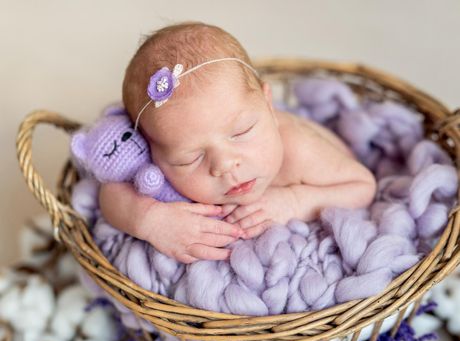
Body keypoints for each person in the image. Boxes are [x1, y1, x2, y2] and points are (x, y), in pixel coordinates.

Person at [99, 21, 376, 264]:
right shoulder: (165, 150)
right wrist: (152, 221)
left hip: (327, 178)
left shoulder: (298, 149)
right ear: (152, 150)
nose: (224, 164)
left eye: (241, 132)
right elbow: (110, 195)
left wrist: (295, 201)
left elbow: (363, 186)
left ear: (268, 105)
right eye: (190, 158)